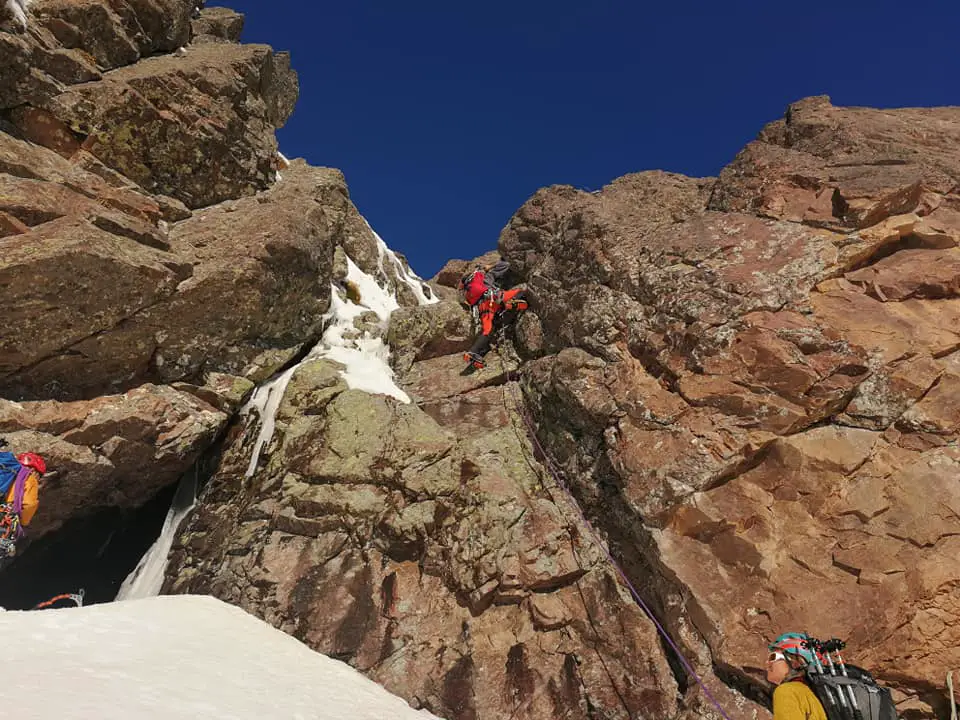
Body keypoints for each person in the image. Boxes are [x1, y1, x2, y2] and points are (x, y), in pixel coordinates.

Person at [457, 258, 528, 369]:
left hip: (482, 308)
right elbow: (506, 264)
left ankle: (472, 353)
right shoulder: (485, 277)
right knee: (522, 292)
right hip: (493, 298)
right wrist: (491, 266)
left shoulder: (469, 291)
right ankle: (509, 303)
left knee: (488, 330)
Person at [766, 632, 828, 720]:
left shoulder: (787, 692)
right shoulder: (812, 693)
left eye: (773, 656)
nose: (768, 662)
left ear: (795, 663)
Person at [0, 450, 45, 558]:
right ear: (35, 470)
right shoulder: (29, 477)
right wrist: (24, 523)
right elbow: (29, 504)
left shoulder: (7, 472)